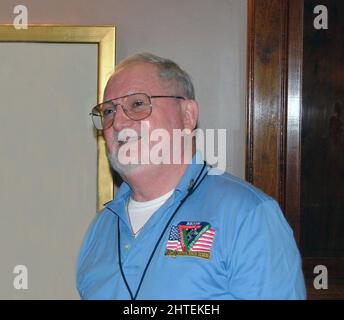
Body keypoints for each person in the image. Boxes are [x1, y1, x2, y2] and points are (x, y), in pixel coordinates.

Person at [76, 52, 306, 300]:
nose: (118, 122)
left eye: (137, 104)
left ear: (187, 115)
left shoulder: (247, 215)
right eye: (108, 111)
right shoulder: (101, 229)